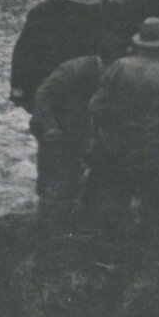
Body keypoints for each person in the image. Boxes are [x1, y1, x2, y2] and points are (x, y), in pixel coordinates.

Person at [85, 17, 159, 245]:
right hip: (153, 150)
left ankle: (105, 250)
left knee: (115, 198)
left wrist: (99, 138)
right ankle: (148, 253)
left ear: (139, 43)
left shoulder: (119, 66)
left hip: (117, 146)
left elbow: (95, 106)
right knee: (154, 205)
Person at [9, 0, 104, 112]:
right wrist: (17, 86)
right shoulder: (43, 13)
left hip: (74, 84)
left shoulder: (92, 18)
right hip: (43, 78)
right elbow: (24, 50)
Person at [30, 50, 103, 227]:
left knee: (73, 176)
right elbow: (42, 94)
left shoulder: (117, 71)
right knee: (52, 177)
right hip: (53, 126)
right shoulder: (75, 68)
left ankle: (62, 220)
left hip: (77, 126)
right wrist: (51, 127)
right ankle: (44, 223)